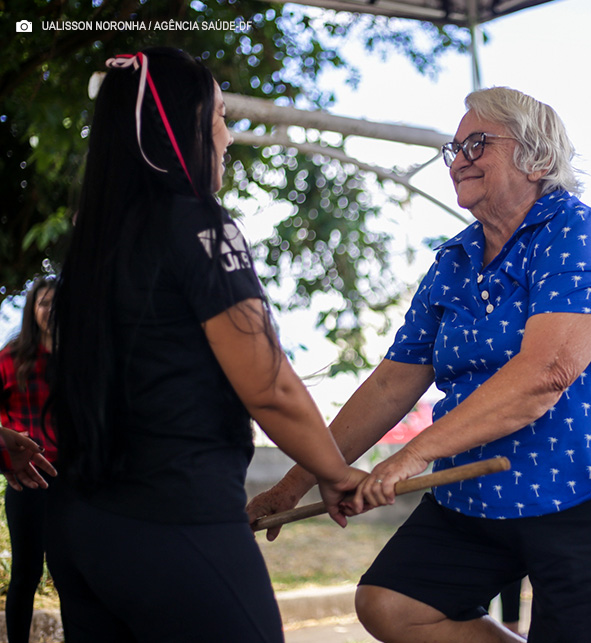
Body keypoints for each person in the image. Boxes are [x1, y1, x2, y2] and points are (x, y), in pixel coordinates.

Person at [248, 86, 591, 643]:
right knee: (391, 604)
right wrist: (296, 483)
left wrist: (410, 457)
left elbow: (546, 375)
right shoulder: (455, 259)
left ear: (538, 160)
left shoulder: (575, 231)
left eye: (478, 144)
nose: (459, 160)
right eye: (455, 149)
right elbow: (392, 383)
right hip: (480, 492)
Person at [46, 48, 366, 643]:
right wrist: (335, 472)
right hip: (174, 522)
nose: (227, 136)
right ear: (183, 126)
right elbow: (269, 387)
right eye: (219, 116)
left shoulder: (95, 241)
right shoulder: (199, 224)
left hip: (80, 528)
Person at [0, 276, 60, 643]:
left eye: (57, 302)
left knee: (71, 573)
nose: (51, 309)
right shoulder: (11, 357)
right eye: (44, 302)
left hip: (74, 481)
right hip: (27, 478)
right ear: (32, 309)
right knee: (26, 572)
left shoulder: (81, 360)